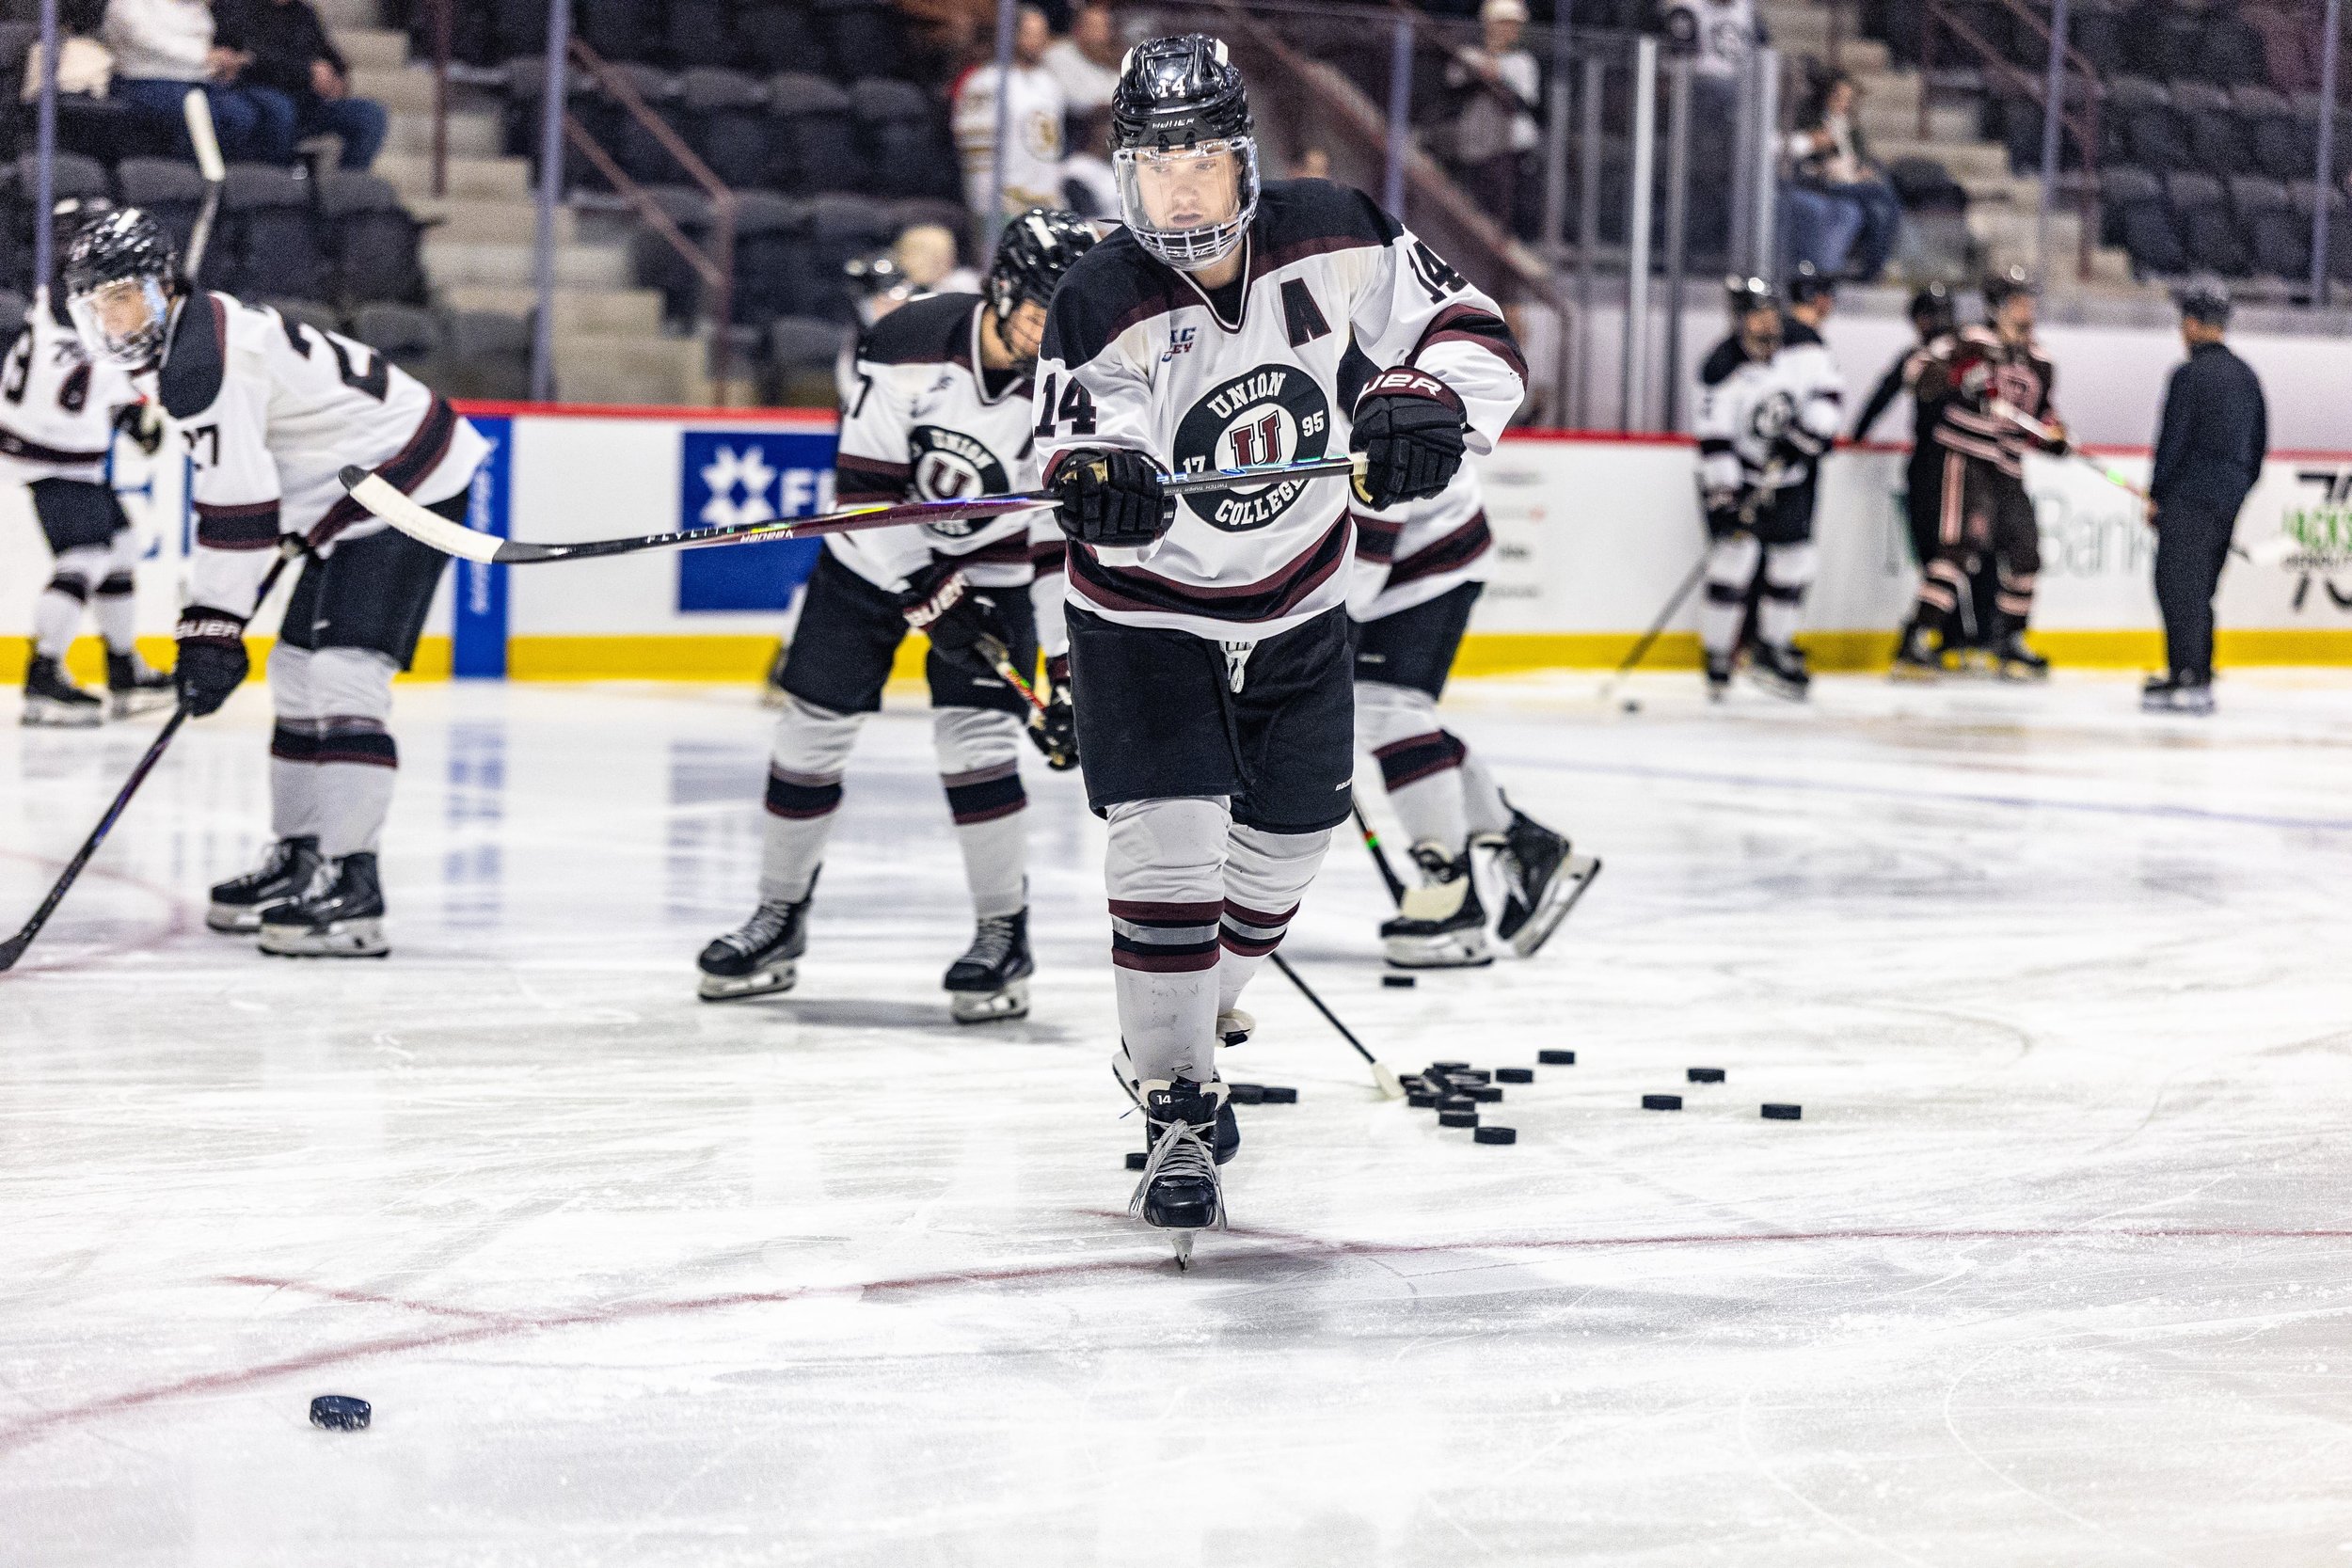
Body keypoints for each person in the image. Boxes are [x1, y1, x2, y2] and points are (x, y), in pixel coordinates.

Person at [1033, 35, 1524, 1259]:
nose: (1182, 191)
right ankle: (1180, 1092)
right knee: (1175, 835)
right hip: (1145, 617)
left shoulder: (1336, 226)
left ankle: (1187, 1022)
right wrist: (1104, 478)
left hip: (1301, 599)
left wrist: (1434, 402)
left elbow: (1468, 322)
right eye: (1155, 168)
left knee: (1293, 839)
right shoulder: (1099, 294)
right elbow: (1092, 431)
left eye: (1202, 160)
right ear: (1124, 177)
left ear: (1243, 160)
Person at [698, 210, 1096, 1022]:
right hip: (868, 557)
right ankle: (778, 918)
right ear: (1007, 288)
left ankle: (1003, 932)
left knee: (977, 746)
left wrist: (1061, 671)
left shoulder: (1078, 386)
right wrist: (930, 599)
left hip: (988, 571)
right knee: (810, 733)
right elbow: (866, 499)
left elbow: (1057, 541)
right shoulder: (911, 338)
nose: (1058, 337)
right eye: (1043, 313)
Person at [62, 206, 492, 956]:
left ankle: (353, 884)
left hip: (408, 484)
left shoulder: (203, 361)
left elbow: (237, 507)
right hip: (348, 496)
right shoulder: (187, 345)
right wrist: (215, 625)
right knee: (296, 671)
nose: (112, 317)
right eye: (98, 304)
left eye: (123, 296)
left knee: (345, 675)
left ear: (163, 287)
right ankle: (299, 855)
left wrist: (211, 629)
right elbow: (258, 488)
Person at [1349, 457, 1596, 968]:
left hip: (1429, 549)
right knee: (1381, 708)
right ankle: (1527, 844)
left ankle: (1452, 898)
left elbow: (1356, 578)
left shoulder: (1345, 401)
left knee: (1388, 707)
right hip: (1395, 550)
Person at [6, 198, 175, 726]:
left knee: (120, 544)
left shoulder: (54, 301)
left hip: (47, 445)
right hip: (54, 455)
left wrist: (130, 417)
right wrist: (138, 414)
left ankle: (122, 670)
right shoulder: (88, 315)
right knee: (86, 556)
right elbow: (100, 377)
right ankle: (43, 678)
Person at [1892, 267, 2066, 682]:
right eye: (2020, 301)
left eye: (2030, 300)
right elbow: (1915, 370)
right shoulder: (1972, 342)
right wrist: (1955, 377)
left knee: (2026, 554)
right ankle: (1917, 638)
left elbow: (2039, 417)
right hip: (1966, 460)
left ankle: (2008, 640)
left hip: (2007, 466)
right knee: (1958, 549)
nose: (2029, 309)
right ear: (2000, 306)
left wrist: (2054, 436)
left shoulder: (2040, 361)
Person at [1693, 275, 1832, 701]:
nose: (1767, 324)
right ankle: (1718, 655)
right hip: (1741, 480)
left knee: (1794, 562)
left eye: (1771, 313)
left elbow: (1828, 398)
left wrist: (1806, 442)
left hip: (1787, 480)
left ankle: (1773, 649)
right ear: (1739, 319)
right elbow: (1713, 437)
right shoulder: (1721, 365)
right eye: (1757, 315)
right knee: (1733, 563)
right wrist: (1728, 494)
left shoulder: (1802, 347)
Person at [2143, 281, 2266, 715]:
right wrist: (2236, 491)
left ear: (2194, 325)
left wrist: (2157, 495)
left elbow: (2173, 441)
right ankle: (2197, 671)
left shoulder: (2188, 375)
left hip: (2187, 497)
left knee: (2178, 585)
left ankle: (2188, 676)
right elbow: (2257, 448)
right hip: (2226, 499)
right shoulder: (2247, 376)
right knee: (2200, 588)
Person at [213, 0, 389, 170]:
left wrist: (336, 80)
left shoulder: (304, 14)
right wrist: (306, 72)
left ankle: (345, 190)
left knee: (369, 114)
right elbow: (252, 58)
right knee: (279, 109)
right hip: (256, 97)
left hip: (305, 102)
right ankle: (277, 186)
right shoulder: (236, 7)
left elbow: (332, 58)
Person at [102, 0, 280, 164]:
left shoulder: (193, 6)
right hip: (143, 81)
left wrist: (221, 63)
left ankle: (241, 182)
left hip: (199, 80)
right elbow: (145, 40)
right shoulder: (129, 4)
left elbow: (205, 34)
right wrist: (205, 56)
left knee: (242, 114)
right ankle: (191, 178)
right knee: (202, 115)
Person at [952, 6, 1067, 221]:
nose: (1037, 41)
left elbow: (1053, 146)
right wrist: (986, 205)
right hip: (1004, 204)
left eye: (1042, 34)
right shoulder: (985, 82)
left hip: (1047, 203)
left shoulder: (1051, 83)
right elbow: (976, 152)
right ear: (1011, 34)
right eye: (1029, 33)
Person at [1786, 71, 1902, 282]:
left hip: (1850, 182)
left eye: (1848, 99)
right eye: (1839, 97)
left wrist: (1861, 170)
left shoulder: (1851, 127)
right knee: (1883, 196)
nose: (1843, 104)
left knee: (1880, 210)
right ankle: (1871, 270)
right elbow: (1800, 158)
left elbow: (1860, 159)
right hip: (1822, 182)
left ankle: (1873, 269)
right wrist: (1821, 157)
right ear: (1827, 96)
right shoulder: (1811, 121)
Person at [1445, 0, 1541, 240]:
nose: (1510, 31)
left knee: (1506, 212)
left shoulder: (1523, 62)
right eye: (1504, 24)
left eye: (1514, 25)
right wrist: (1479, 74)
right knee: (1473, 212)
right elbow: (1452, 93)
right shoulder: (1469, 56)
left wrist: (1499, 77)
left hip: (1510, 150)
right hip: (1474, 148)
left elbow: (1526, 104)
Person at [1043, 1, 1121, 120]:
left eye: (1104, 28)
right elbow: (1075, 102)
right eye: (1094, 27)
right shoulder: (1058, 55)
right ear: (1077, 30)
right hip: (1074, 129)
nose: (1100, 35)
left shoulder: (1106, 59)